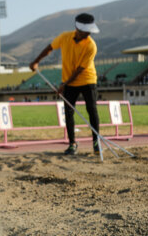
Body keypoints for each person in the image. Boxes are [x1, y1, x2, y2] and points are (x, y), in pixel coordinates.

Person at [30, 13, 100, 155]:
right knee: (68, 113)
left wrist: (64, 84)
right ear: (78, 29)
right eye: (86, 32)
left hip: (87, 80)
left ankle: (96, 142)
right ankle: (72, 144)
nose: (88, 34)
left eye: (89, 32)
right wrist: (36, 61)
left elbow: (80, 70)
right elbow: (49, 48)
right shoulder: (64, 37)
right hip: (69, 81)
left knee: (91, 110)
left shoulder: (91, 46)